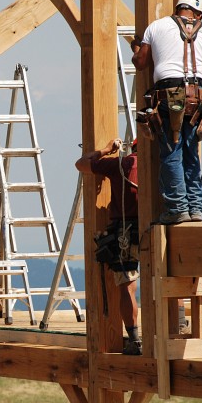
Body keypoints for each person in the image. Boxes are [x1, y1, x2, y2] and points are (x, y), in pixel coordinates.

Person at [131, 0, 202, 225]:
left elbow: (141, 63)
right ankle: (196, 208)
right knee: (191, 152)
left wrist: (137, 48)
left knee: (172, 151)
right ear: (198, 14)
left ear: (178, 8)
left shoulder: (157, 26)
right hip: (198, 99)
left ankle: (178, 209)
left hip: (169, 95)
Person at [75, 138, 142, 355]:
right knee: (167, 279)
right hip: (155, 227)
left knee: (127, 285)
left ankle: (134, 339)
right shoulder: (164, 164)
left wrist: (105, 150)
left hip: (125, 230)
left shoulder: (121, 164)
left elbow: (82, 163)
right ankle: (176, 325)